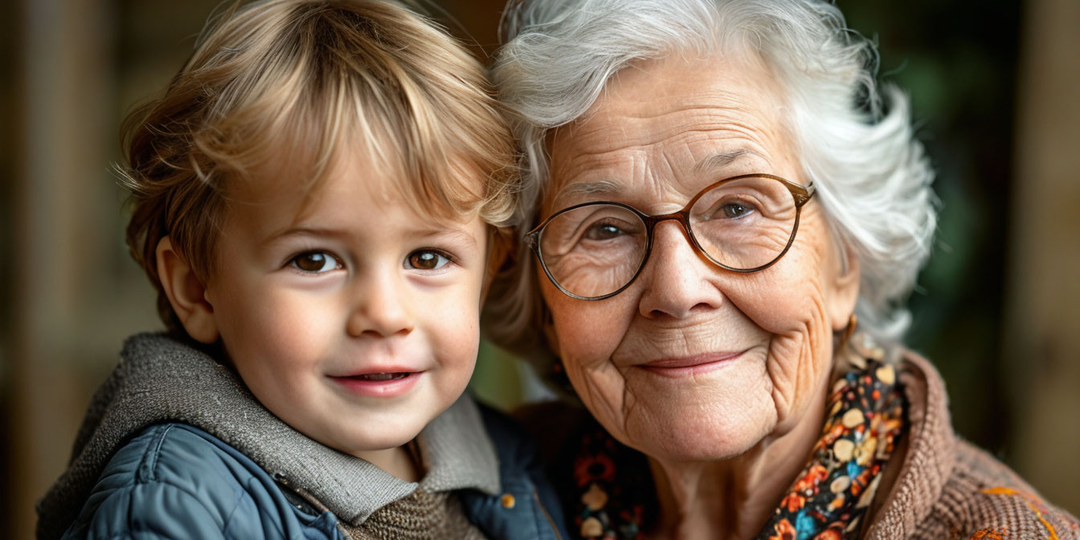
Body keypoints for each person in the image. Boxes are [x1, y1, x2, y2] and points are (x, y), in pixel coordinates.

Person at [484, 0, 1080, 538]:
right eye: (605, 229)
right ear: (540, 298)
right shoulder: (485, 495)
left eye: (737, 208)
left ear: (844, 260)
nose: (677, 288)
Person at [36, 1, 567, 539]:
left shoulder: (514, 463)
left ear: (488, 270)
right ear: (197, 288)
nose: (384, 314)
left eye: (427, 258)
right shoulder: (171, 508)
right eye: (314, 261)